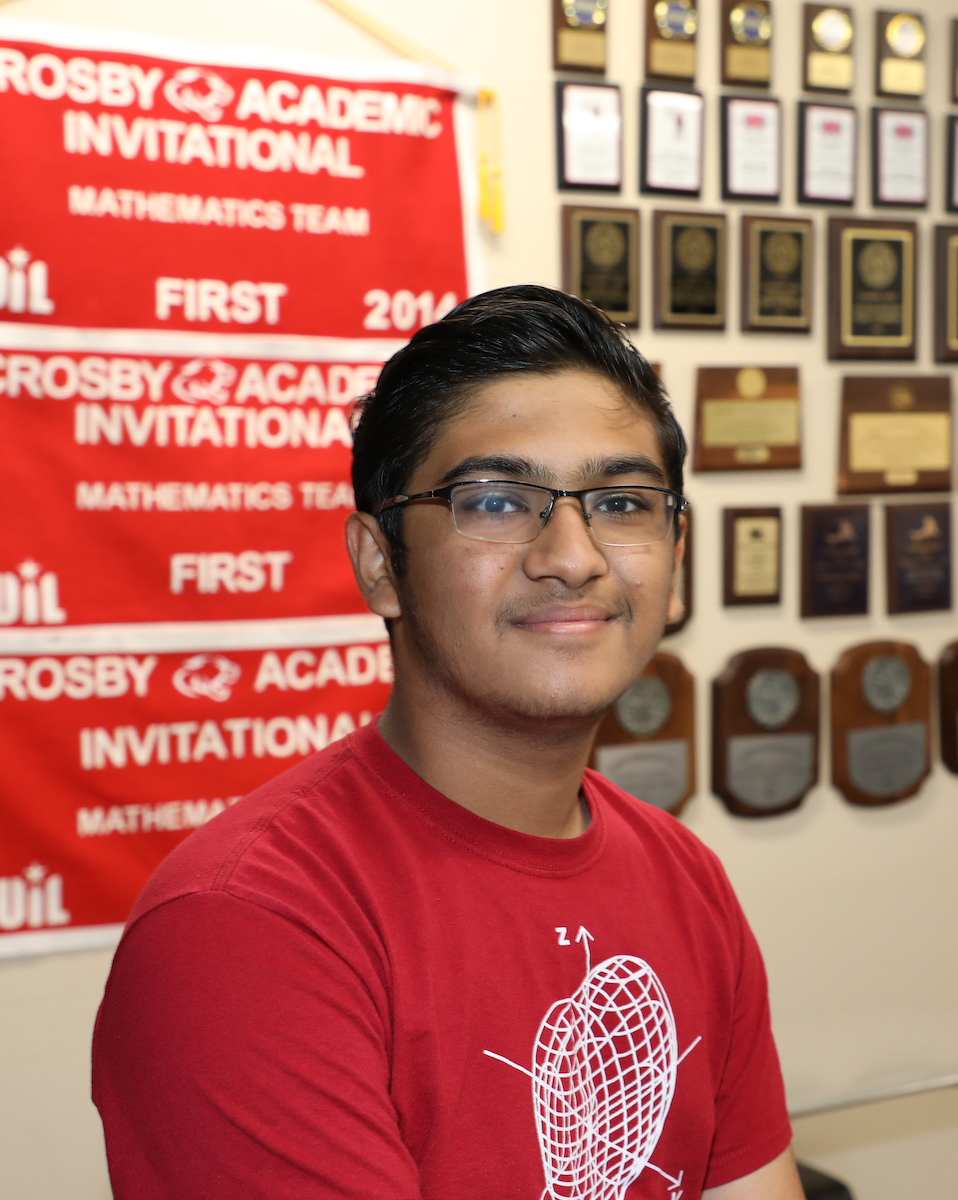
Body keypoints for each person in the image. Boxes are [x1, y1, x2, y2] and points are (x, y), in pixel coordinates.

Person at [91, 285, 802, 1200]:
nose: (573, 555)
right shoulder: (248, 926)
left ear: (675, 563)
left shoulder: (684, 876)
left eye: (622, 502)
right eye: (499, 501)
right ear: (381, 562)